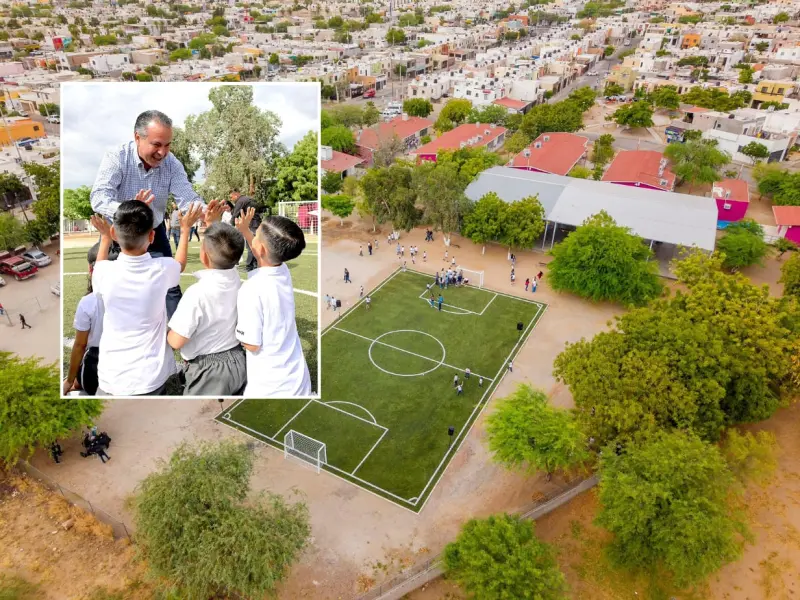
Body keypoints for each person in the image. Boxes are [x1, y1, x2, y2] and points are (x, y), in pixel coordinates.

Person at [90, 110, 207, 320]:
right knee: (107, 289)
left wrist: (205, 211)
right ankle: (102, 334)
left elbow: (186, 196)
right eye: (156, 144)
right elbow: (99, 197)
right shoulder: (117, 157)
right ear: (137, 137)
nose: (163, 152)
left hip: (154, 230)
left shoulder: (172, 163)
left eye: (167, 145)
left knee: (170, 285)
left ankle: (175, 331)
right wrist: (132, 211)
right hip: (119, 232)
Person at [89, 200, 203, 396]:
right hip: (151, 377)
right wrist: (185, 231)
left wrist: (105, 238)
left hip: (111, 377)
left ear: (115, 234)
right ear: (152, 236)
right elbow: (180, 264)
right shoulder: (163, 268)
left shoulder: (104, 271)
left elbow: (99, 265)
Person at [167, 202, 249, 396]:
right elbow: (225, 248)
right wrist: (213, 223)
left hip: (208, 371)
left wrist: (167, 331)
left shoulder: (197, 293)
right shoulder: (236, 278)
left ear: (203, 255)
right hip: (239, 361)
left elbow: (176, 342)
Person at [235, 209, 312, 398]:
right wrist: (246, 231)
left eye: (256, 233)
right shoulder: (282, 269)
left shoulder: (252, 289)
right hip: (299, 382)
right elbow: (262, 250)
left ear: (260, 248)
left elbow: (251, 344)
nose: (253, 234)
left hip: (271, 387)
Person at [63, 243, 106, 396]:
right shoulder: (136, 296)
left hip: (97, 366)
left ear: (90, 269)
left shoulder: (88, 302)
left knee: (76, 384)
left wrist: (69, 381)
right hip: (130, 367)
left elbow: (80, 345)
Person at [230, 189, 261, 272]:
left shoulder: (240, 201)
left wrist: (230, 225)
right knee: (253, 244)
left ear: (236, 195)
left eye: (231, 197)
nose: (231, 199)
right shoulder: (248, 199)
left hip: (251, 225)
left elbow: (235, 214)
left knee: (250, 245)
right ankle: (254, 265)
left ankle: (250, 266)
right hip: (256, 224)